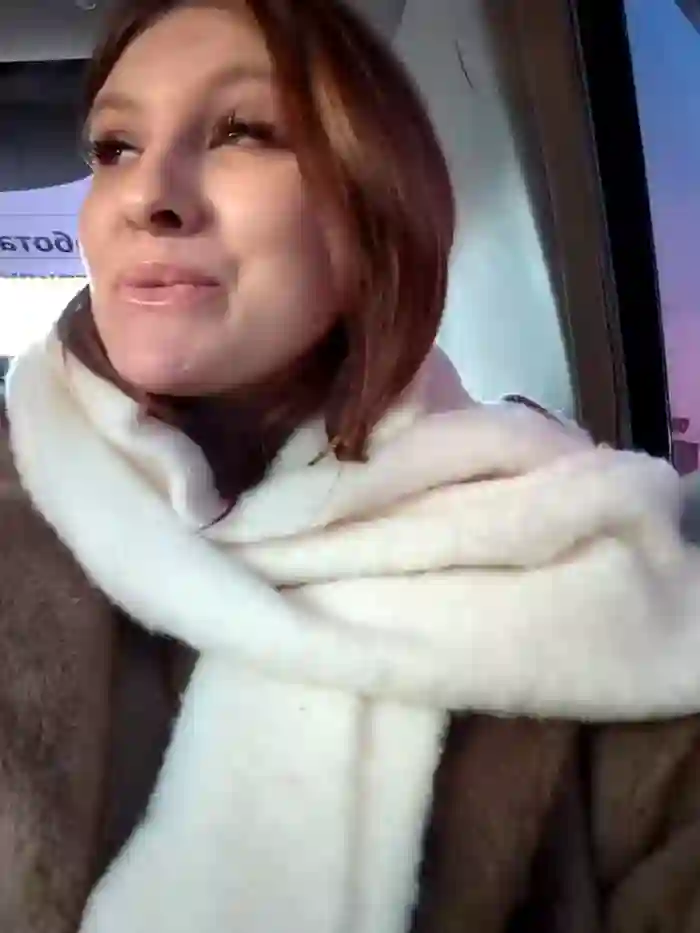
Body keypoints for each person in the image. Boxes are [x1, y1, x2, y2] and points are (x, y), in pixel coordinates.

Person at [3, 1, 700, 931]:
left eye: (244, 131)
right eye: (114, 147)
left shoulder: (580, 563)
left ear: (375, 201)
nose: (148, 195)